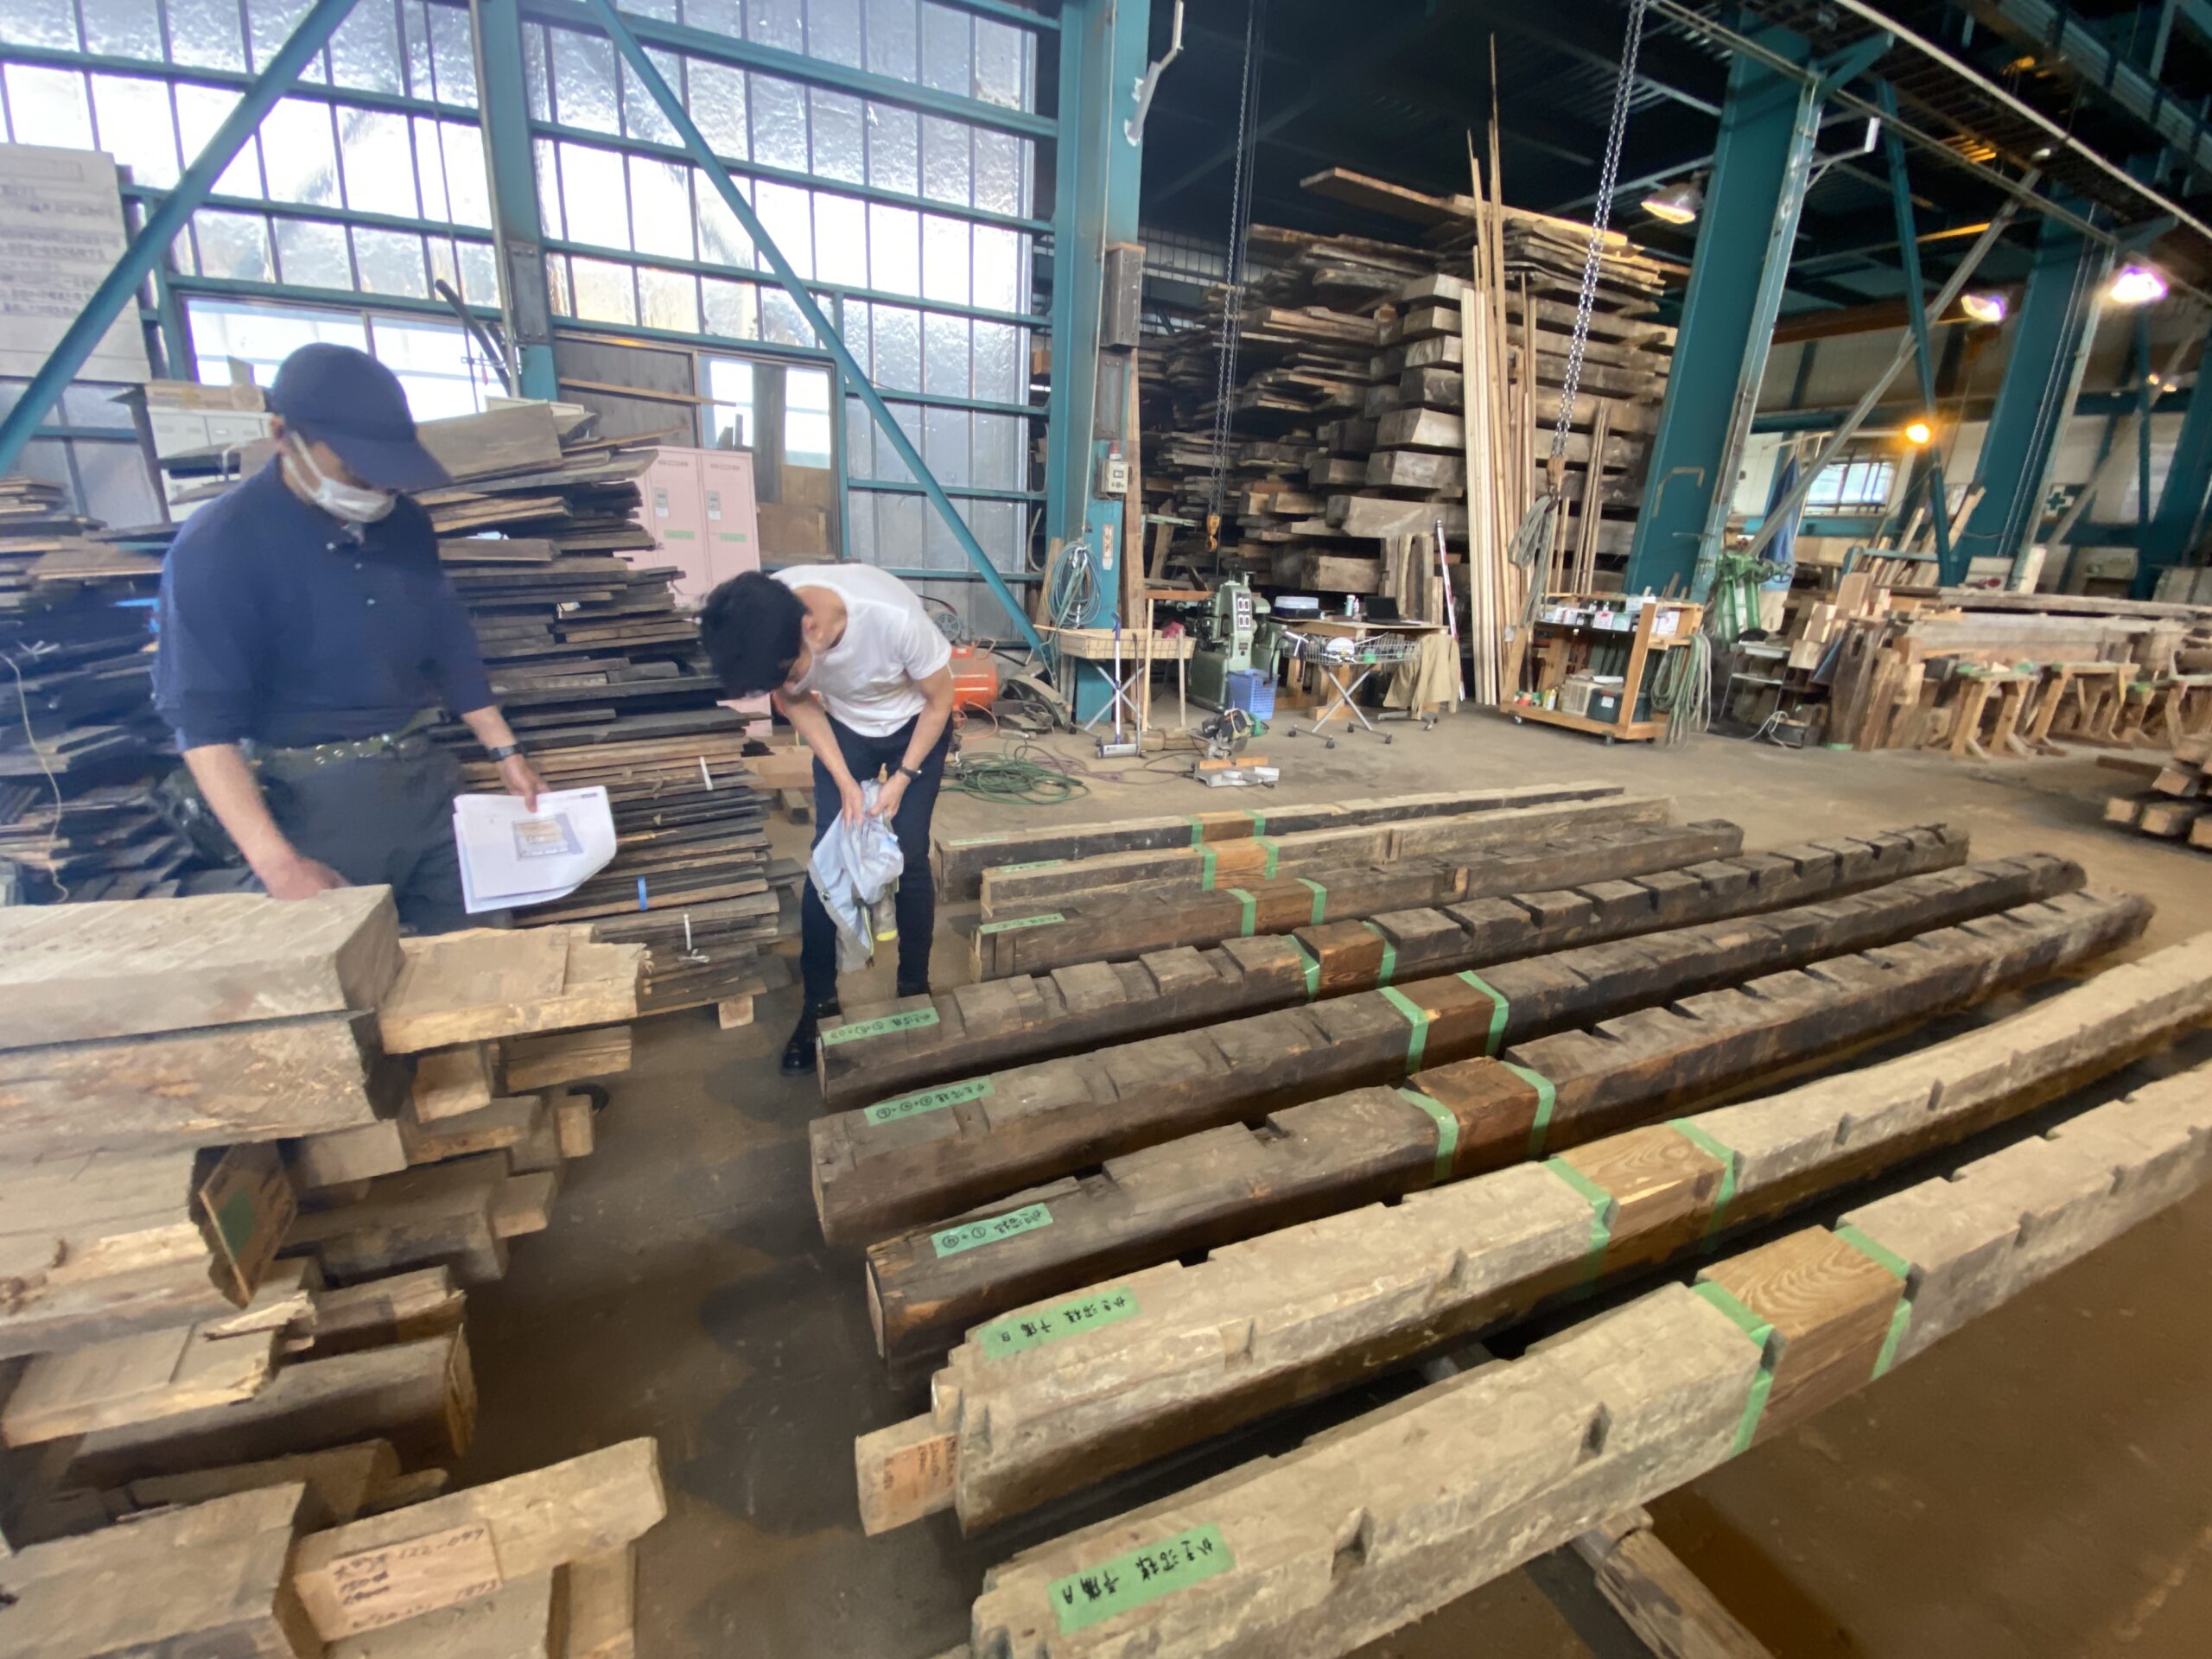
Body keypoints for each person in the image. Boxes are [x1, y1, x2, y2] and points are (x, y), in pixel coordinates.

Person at [153, 342, 545, 933]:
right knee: (362, 983)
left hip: (426, 783)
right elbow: (203, 727)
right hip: (314, 801)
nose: (374, 489)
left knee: (485, 954)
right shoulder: (221, 545)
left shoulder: (404, 525)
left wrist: (504, 751)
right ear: (284, 435)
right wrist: (279, 865)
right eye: (354, 471)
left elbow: (449, 640)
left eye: (386, 476)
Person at [700, 565, 956, 1073]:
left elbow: (941, 700)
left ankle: (913, 986)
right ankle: (817, 1004)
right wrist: (843, 779)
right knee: (827, 862)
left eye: (791, 669)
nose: (790, 681)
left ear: (809, 628)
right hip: (845, 728)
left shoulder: (892, 619)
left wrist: (902, 778)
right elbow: (794, 700)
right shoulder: (768, 611)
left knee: (908, 850)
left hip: (915, 723)